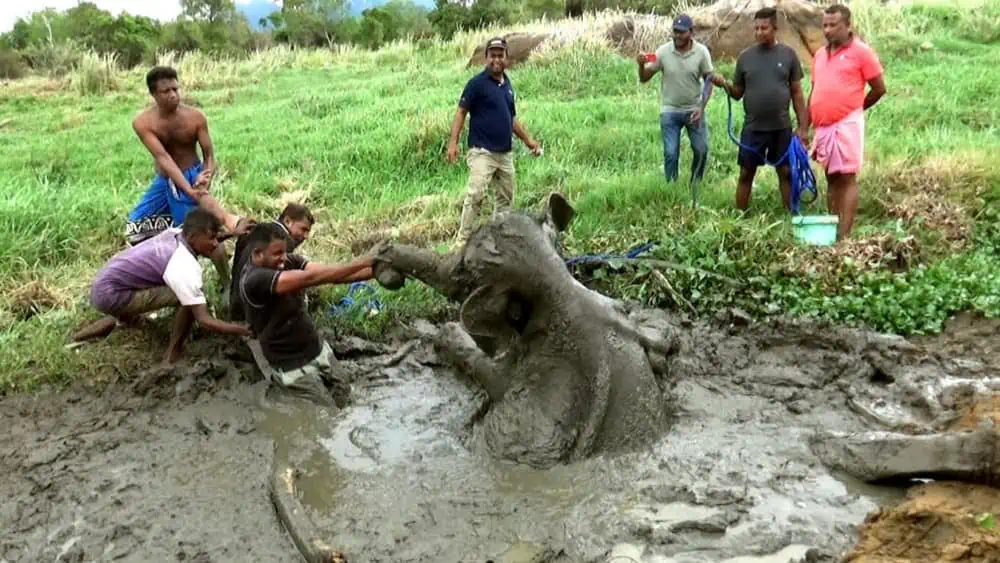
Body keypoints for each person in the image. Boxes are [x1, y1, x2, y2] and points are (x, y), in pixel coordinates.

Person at [125, 66, 250, 300]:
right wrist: (187, 190)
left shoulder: (195, 117)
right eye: (165, 91)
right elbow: (164, 158)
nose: (173, 95)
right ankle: (160, 274)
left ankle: (226, 284)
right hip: (166, 181)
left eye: (175, 89)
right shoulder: (143, 123)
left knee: (202, 232)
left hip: (192, 174)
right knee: (136, 228)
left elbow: (209, 154)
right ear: (153, 94)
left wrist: (206, 175)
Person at [72, 208, 251, 364]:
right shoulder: (183, 265)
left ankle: (120, 319)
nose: (215, 244)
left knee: (182, 291)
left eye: (215, 237)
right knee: (186, 298)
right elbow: (204, 320)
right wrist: (240, 329)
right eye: (211, 238)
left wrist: (233, 234)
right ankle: (172, 354)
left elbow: (205, 238)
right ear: (192, 236)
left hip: (105, 284)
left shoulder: (174, 233)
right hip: (112, 295)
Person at [239, 223, 377, 407]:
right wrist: (364, 260)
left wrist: (375, 271)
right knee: (325, 413)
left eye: (285, 252)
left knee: (346, 396)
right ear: (257, 254)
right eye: (277, 254)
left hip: (316, 349)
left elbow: (332, 274)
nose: (283, 259)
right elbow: (311, 278)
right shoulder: (254, 279)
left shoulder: (287, 262)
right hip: (290, 365)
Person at [447, 36, 543, 243]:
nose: (496, 60)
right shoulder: (476, 84)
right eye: (492, 56)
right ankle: (462, 241)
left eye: (500, 55)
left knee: (505, 200)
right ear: (486, 58)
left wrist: (529, 142)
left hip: (505, 153)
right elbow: (461, 112)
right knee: (476, 194)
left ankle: (499, 240)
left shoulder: (507, 85)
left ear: (507, 59)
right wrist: (453, 143)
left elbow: (512, 118)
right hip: (482, 152)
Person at [802, 4, 886, 239]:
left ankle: (844, 237)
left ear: (847, 26)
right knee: (831, 176)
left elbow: (879, 89)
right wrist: (804, 126)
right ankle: (832, 229)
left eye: (833, 25)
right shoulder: (820, 55)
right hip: (823, 126)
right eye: (825, 25)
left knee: (847, 177)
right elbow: (814, 90)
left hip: (847, 124)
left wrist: (855, 109)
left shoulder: (861, 52)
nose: (827, 30)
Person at [711, 7, 808, 212]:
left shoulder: (788, 55)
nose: (759, 32)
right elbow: (738, 93)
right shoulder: (745, 57)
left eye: (764, 28)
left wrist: (803, 128)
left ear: (775, 28)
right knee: (746, 173)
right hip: (753, 128)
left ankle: (791, 215)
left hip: (781, 127)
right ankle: (739, 215)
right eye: (756, 28)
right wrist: (723, 83)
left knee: (785, 171)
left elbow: (797, 94)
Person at [637, 14, 715, 188]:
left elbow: (709, 81)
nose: (678, 36)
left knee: (701, 150)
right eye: (675, 32)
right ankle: (671, 187)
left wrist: (701, 107)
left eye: (682, 32)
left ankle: (695, 183)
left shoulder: (701, 52)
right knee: (671, 153)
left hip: (694, 110)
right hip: (670, 110)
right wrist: (641, 65)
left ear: (691, 32)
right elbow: (644, 78)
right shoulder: (663, 52)